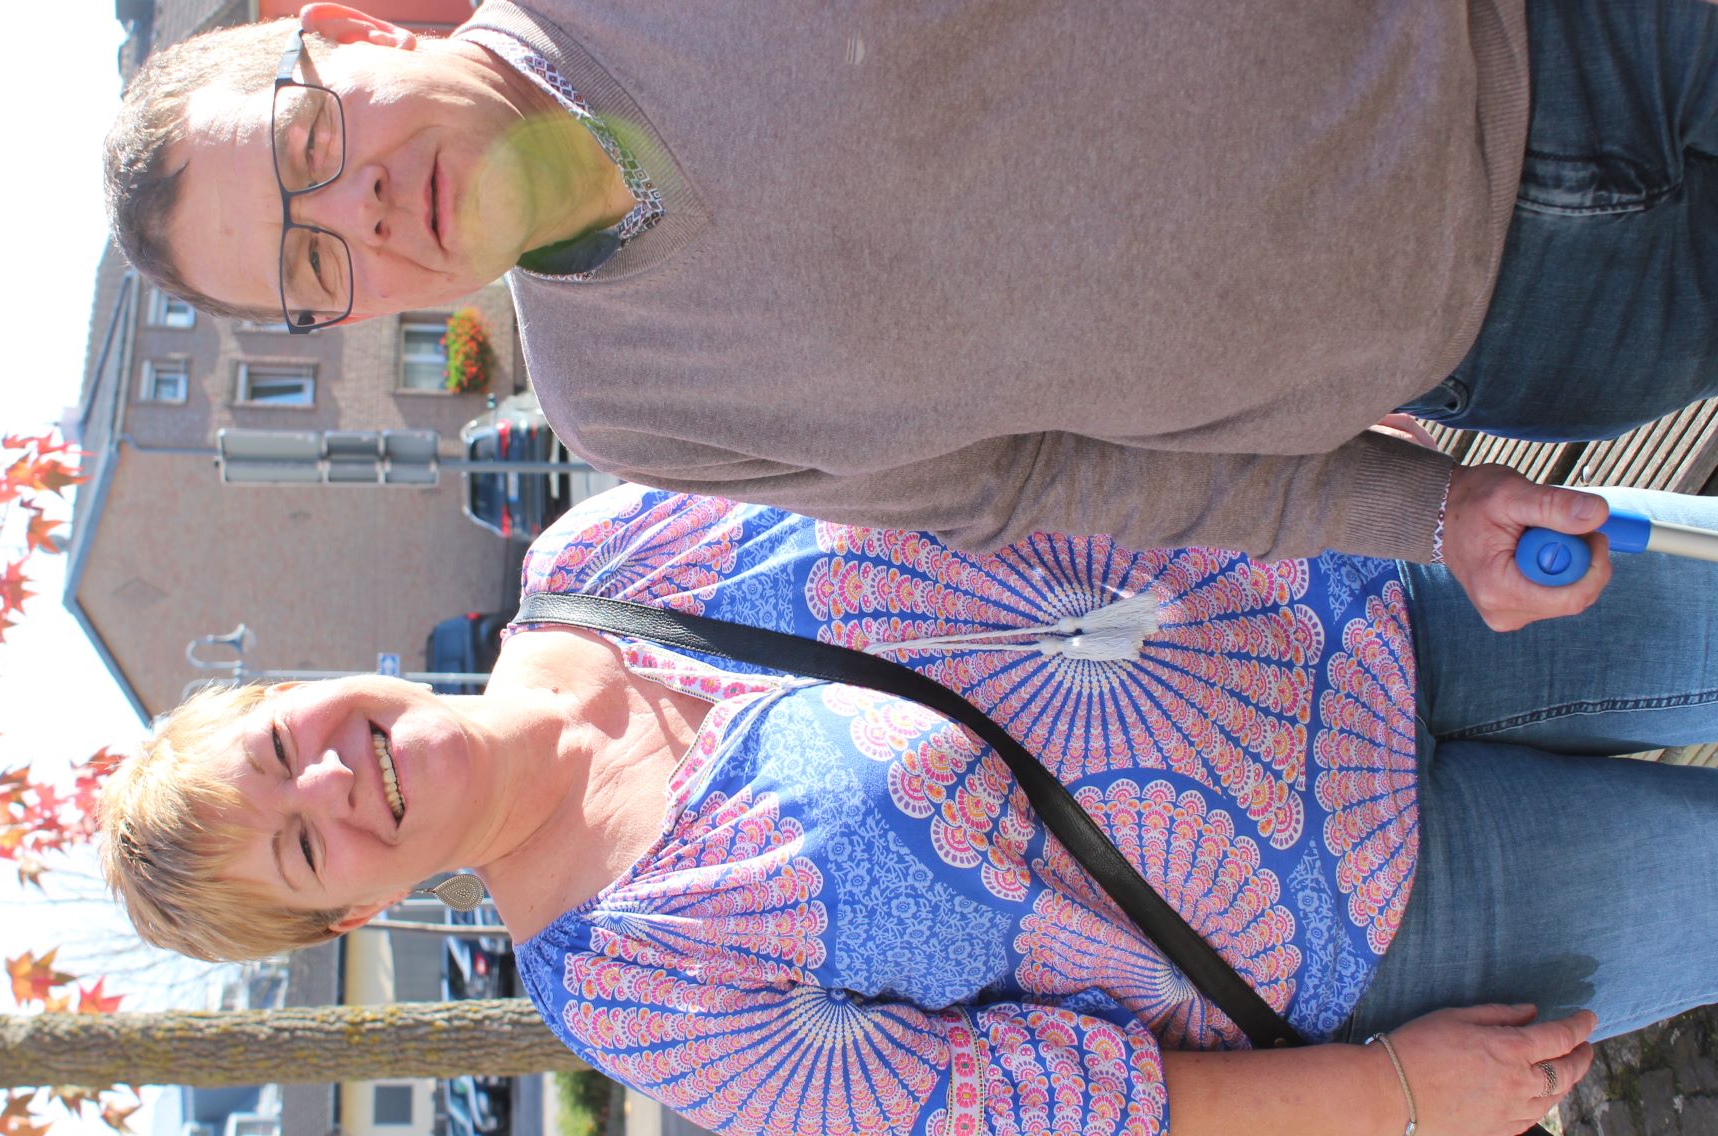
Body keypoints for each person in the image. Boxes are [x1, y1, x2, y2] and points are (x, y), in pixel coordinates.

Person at [102, 0, 1718, 634]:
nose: (360, 214)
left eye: (311, 146)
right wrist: (1424, 510)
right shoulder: (628, 413)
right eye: (311, 266)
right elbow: (1055, 483)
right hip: (1534, 330)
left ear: (346, 33)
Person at [101, 482, 1718, 1136]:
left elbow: (979, 469)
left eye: (277, 748)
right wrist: (1395, 1102)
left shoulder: (597, 557)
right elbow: (1052, 1105)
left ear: (289, 686)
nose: (332, 781)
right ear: (353, 918)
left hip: (1380, 599)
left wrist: (1351, 475)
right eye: (304, 846)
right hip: (1389, 920)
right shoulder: (635, 991)